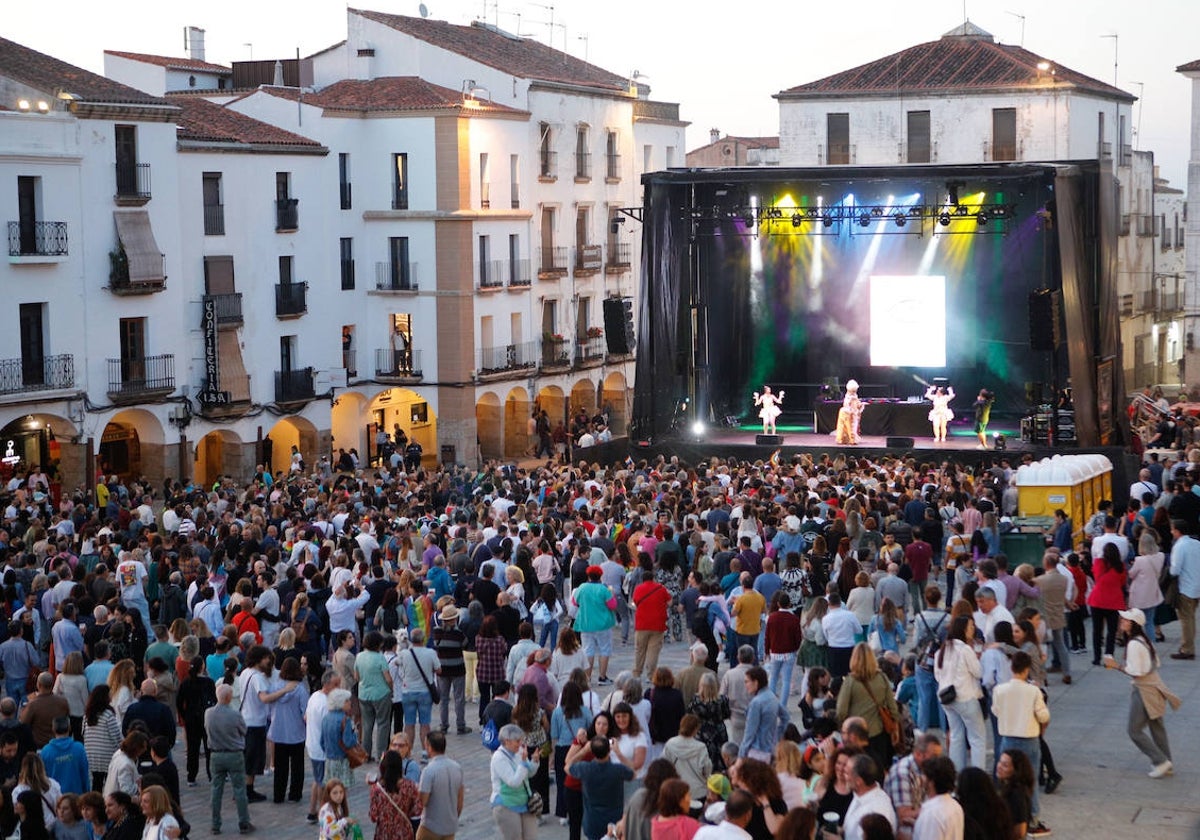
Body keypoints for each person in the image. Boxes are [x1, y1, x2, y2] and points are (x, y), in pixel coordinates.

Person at [1103, 607, 1181, 778]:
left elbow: (1136, 671)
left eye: (1125, 620)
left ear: (1133, 624)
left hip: (1144, 689)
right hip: (1155, 686)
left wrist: (1115, 665)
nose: (1122, 622)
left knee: (1134, 730)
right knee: (1156, 727)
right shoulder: (1145, 640)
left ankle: (1160, 761)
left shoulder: (1133, 644)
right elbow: (1156, 663)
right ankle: (1166, 763)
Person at [990, 651, 1049, 834]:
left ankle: (1005, 812)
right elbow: (1044, 715)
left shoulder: (999, 690)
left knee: (1005, 778)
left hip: (1007, 738)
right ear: (1026, 670)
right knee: (1029, 779)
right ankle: (1033, 816)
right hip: (1029, 738)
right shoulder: (1033, 691)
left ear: (1011, 667)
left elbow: (996, 711)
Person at [932, 616, 985, 770]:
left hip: (946, 697)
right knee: (977, 738)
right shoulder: (965, 649)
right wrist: (978, 658)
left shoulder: (942, 649)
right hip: (965, 696)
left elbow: (937, 675)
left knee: (956, 736)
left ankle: (957, 774)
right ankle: (977, 776)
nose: (973, 629)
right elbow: (978, 672)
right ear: (962, 629)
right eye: (970, 626)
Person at [835, 644, 899, 773]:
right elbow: (893, 707)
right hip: (879, 732)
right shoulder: (881, 677)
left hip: (856, 735)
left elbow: (841, 711)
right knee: (879, 769)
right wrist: (895, 728)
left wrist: (842, 728)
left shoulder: (850, 681)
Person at [204, 683, 254, 835]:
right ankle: (244, 822)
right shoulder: (235, 714)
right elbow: (244, 731)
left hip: (216, 754)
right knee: (239, 789)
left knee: (216, 790)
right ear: (229, 697)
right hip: (234, 753)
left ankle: (215, 824)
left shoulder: (208, 713)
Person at [489, 723, 538, 840]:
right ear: (507, 741)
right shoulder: (498, 758)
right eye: (517, 741)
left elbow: (528, 774)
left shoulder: (519, 751)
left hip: (525, 802)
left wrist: (534, 762)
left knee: (531, 836)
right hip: (506, 804)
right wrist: (523, 762)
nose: (520, 743)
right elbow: (513, 782)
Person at [416, 731, 464, 840]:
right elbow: (460, 800)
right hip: (450, 826)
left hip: (430, 826)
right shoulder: (457, 767)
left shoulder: (428, 771)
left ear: (429, 747)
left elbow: (423, 801)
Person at [1087, 543, 1127, 666]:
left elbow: (1095, 575)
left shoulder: (1099, 563)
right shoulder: (1121, 567)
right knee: (1112, 630)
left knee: (1097, 630)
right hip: (1114, 601)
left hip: (1097, 599)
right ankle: (1109, 657)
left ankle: (1096, 657)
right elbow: (1122, 582)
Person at [740, 666, 789, 762]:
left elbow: (750, 732)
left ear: (756, 682)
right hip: (770, 749)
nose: (745, 685)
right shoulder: (771, 696)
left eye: (747, 682)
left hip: (756, 750)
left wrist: (741, 755)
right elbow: (785, 717)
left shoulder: (756, 703)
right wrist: (777, 735)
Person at [841, 754, 896, 840]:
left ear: (858, 781)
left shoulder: (878, 810)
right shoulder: (860, 794)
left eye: (847, 773)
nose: (844, 776)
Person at [368, 751, 420, 840]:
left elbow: (374, 816)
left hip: (384, 834)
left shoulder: (377, 789)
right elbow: (417, 810)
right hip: (404, 832)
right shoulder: (409, 786)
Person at [1168, 518, 1200, 660]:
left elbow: (1175, 570)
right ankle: (1188, 645)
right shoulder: (1196, 543)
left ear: (1178, 531)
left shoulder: (1179, 546)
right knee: (1191, 617)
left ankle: (1187, 649)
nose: (1171, 531)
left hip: (1185, 587)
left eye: (1173, 529)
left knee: (1186, 619)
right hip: (1197, 585)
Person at [910, 756, 962, 840]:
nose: (921, 778)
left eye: (924, 775)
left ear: (931, 782)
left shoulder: (931, 814)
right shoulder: (956, 806)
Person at [40, 716, 89, 795]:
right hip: (76, 798)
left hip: (55, 798)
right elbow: (85, 776)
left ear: (53, 729)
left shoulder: (46, 751)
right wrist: (86, 793)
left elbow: (43, 778)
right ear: (69, 728)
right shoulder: (79, 748)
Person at [994, 749, 1035, 840]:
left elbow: (1020, 831)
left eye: (1005, 765)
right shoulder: (1004, 785)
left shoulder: (1017, 794)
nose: (999, 766)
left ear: (1016, 770)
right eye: (999, 762)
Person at [836, 380, 863, 446]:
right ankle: (852, 439)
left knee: (845, 427)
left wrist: (860, 404)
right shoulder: (850, 397)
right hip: (849, 413)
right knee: (851, 427)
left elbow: (856, 404)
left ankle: (843, 439)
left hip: (848, 412)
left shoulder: (851, 395)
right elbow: (849, 405)